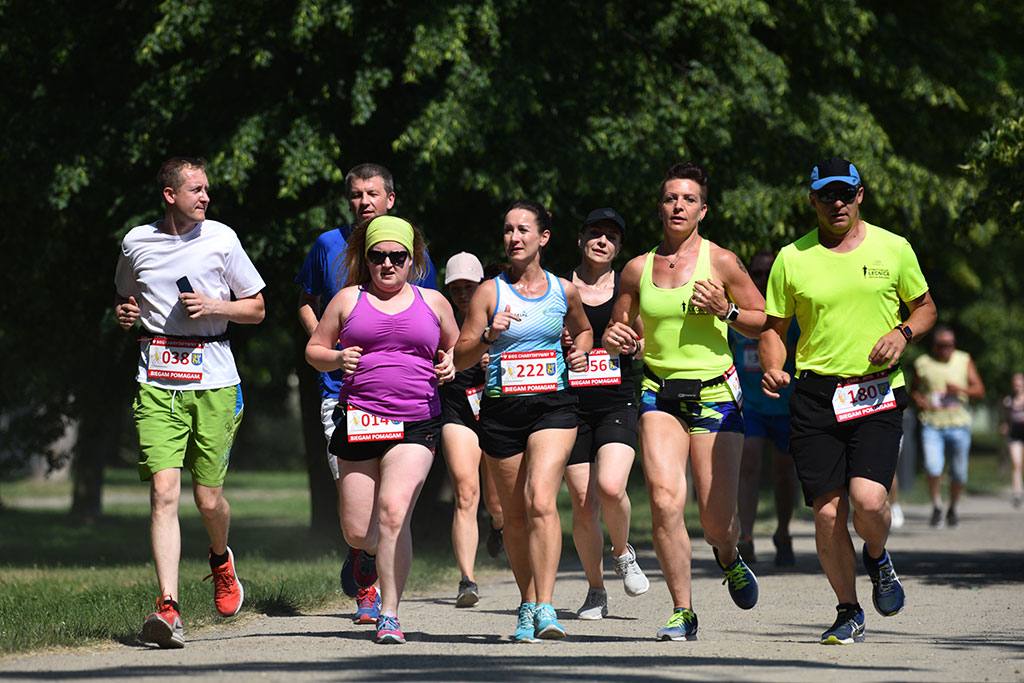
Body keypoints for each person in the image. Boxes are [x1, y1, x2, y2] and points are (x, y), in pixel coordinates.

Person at [760, 157, 936, 645]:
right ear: (812, 200)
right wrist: (774, 366)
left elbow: (925, 309)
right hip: (815, 395)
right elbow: (774, 330)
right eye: (826, 195)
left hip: (876, 389)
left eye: (846, 193)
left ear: (861, 195)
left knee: (868, 499)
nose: (837, 203)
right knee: (826, 513)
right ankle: (848, 610)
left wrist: (903, 334)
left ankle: (877, 557)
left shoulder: (894, 248)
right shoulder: (791, 257)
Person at [604, 162, 765, 642]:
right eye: (671, 198)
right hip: (658, 393)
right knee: (664, 500)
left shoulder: (723, 262)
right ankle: (683, 610)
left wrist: (727, 310)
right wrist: (620, 340)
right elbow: (620, 328)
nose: (679, 206)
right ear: (660, 207)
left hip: (717, 394)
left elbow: (762, 318)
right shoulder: (636, 268)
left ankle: (727, 555)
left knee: (717, 521)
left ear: (703, 209)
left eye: (688, 199)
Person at [114, 157, 266, 648]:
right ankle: (169, 606)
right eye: (196, 190)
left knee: (207, 499)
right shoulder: (137, 241)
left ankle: (221, 560)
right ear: (169, 194)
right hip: (156, 379)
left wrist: (215, 305)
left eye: (207, 190)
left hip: (215, 379)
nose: (205, 197)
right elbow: (124, 292)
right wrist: (125, 312)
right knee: (163, 493)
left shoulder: (222, 238)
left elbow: (258, 308)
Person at [295, 162, 438, 624]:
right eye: (355, 195)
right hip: (343, 394)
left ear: (390, 199)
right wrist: (330, 347)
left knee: (392, 508)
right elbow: (305, 300)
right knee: (358, 518)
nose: (363, 202)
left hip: (409, 405)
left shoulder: (411, 250)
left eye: (372, 194)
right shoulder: (327, 245)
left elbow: (433, 318)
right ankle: (363, 554)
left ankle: (380, 602)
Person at [305, 215, 459, 644]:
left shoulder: (433, 302)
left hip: (416, 420)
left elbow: (456, 348)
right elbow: (314, 350)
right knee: (358, 530)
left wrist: (448, 362)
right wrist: (336, 359)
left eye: (397, 256)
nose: (388, 264)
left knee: (393, 512)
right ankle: (368, 555)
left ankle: (389, 612)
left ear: (413, 259)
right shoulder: (346, 300)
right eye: (378, 256)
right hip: (360, 418)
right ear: (365, 259)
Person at [454, 199, 593, 642]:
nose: (514, 238)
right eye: (508, 230)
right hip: (502, 411)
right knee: (512, 515)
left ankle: (548, 606)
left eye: (523, 230)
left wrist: (582, 349)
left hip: (553, 405)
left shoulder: (563, 290)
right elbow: (461, 357)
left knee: (540, 499)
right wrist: (490, 334)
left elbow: (584, 328)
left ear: (543, 237)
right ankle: (528, 602)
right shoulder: (489, 292)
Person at [562, 208, 648, 620]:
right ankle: (596, 591)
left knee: (611, 488)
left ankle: (623, 553)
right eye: (595, 233)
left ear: (618, 248)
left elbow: (649, 344)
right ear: (580, 239)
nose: (602, 241)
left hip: (617, 399)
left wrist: (632, 345)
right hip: (571, 404)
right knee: (582, 502)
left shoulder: (630, 287)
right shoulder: (558, 288)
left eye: (611, 237)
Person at [439, 251, 505, 607]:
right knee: (466, 493)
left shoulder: (500, 317)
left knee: (496, 503)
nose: (463, 295)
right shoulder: (438, 319)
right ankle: (467, 579)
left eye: (470, 287)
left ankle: (498, 525)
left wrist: (491, 354)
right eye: (456, 288)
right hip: (457, 412)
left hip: (495, 413)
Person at [731, 250, 798, 566]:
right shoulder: (737, 317)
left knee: (785, 472)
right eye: (756, 272)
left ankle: (783, 532)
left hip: (788, 404)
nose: (762, 278)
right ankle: (745, 537)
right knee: (749, 464)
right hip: (751, 406)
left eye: (769, 273)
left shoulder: (791, 314)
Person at [911, 326, 986, 528]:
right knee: (933, 467)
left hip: (959, 424)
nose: (948, 349)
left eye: (951, 344)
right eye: (944, 345)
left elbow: (980, 390)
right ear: (935, 346)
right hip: (931, 423)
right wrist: (919, 399)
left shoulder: (964, 359)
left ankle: (953, 506)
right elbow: (914, 390)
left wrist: (960, 389)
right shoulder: (923, 363)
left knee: (959, 472)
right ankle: (936, 505)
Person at [1000, 372, 1024, 508]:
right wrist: (1003, 425)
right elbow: (1005, 418)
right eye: (1015, 383)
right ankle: (1017, 494)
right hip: (1015, 435)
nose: (1017, 385)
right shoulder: (1008, 401)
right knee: (1016, 464)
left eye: (1019, 382)